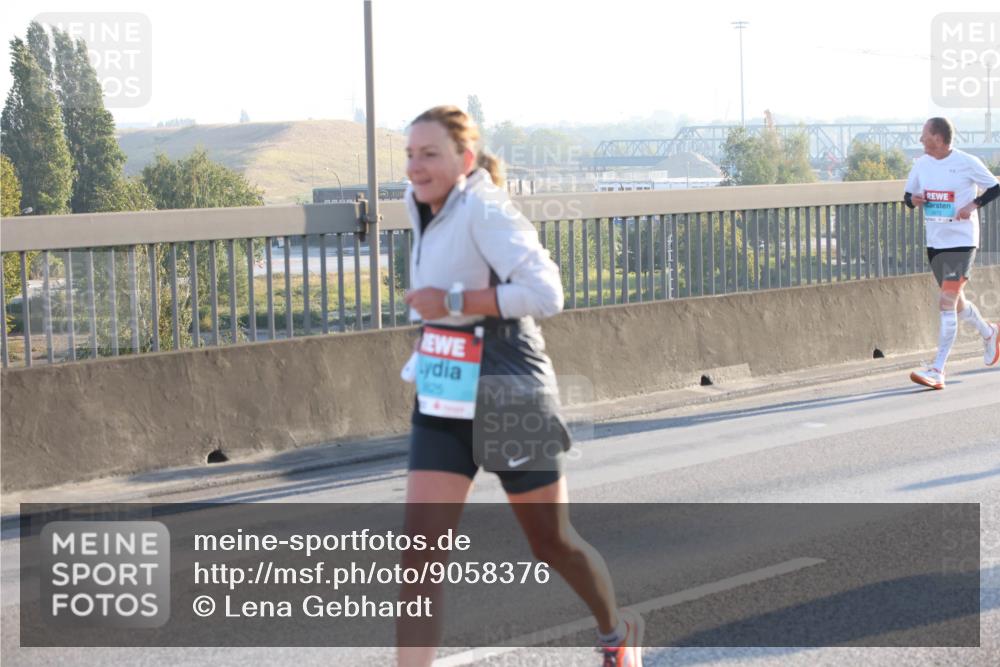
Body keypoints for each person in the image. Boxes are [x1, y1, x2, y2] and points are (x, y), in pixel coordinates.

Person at [396, 105, 644, 667]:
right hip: (445, 385)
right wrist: (436, 329)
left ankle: (615, 631)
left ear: (463, 159)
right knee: (419, 556)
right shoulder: (422, 205)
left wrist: (452, 305)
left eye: (429, 154)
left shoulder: (486, 208)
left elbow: (546, 293)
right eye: (410, 154)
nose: (416, 166)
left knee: (551, 543)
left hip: (508, 384)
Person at [903, 117, 1000, 389]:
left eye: (925, 135)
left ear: (939, 138)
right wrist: (915, 200)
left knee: (946, 301)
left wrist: (973, 204)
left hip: (962, 241)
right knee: (956, 303)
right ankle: (990, 332)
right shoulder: (920, 164)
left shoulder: (966, 162)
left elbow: (995, 187)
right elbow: (907, 198)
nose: (921, 140)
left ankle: (938, 369)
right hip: (935, 242)